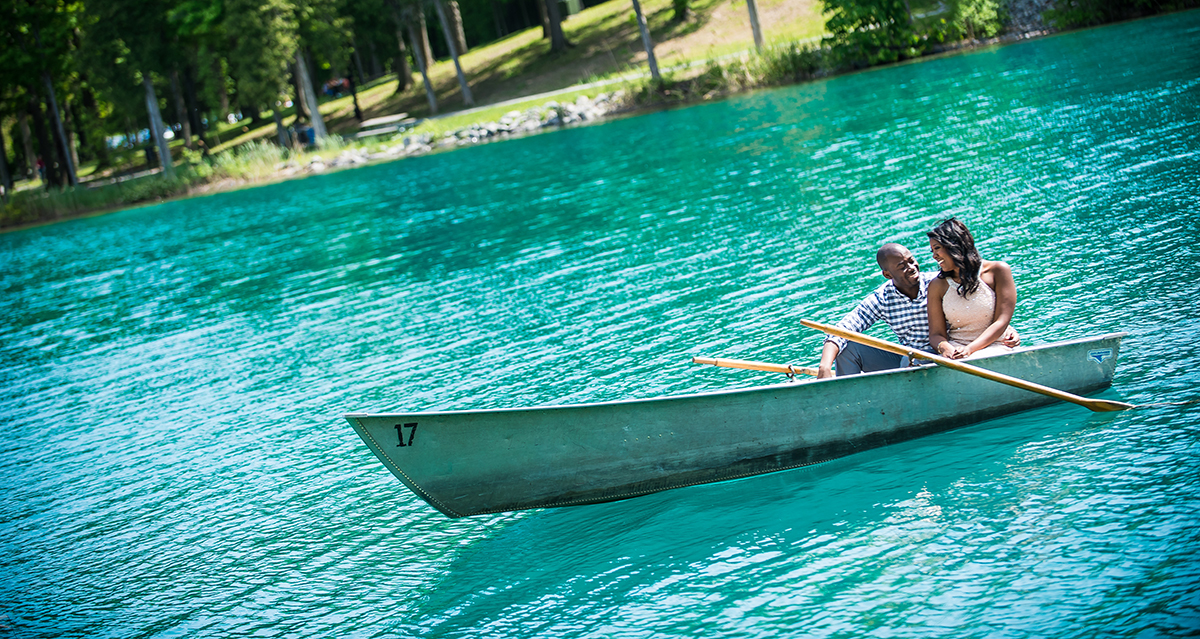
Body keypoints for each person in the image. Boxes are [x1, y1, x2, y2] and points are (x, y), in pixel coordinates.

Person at [816, 242, 1018, 378]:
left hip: (947, 352)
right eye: (902, 266)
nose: (911, 267)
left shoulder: (938, 283)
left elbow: (975, 308)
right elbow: (844, 327)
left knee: (911, 361)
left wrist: (1007, 328)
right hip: (910, 358)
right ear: (887, 274)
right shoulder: (881, 299)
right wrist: (825, 366)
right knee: (849, 349)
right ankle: (847, 401)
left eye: (911, 260)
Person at [926, 218, 1017, 360]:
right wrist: (947, 349)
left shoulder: (998, 271)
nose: (934, 255)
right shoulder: (937, 286)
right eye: (932, 250)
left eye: (937, 248)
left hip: (996, 345)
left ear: (954, 245)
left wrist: (969, 349)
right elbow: (936, 334)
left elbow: (1001, 321)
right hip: (957, 351)